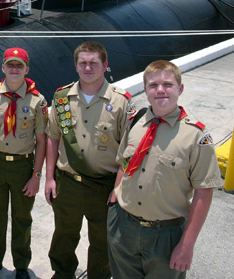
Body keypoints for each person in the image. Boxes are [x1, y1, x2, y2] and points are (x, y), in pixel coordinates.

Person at [107, 60, 222, 279]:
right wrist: (115, 198)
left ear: (180, 88)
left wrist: (187, 245)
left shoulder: (196, 136)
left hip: (165, 235)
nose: (160, 90)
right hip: (124, 226)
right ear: (145, 89)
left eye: (167, 84)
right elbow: (124, 162)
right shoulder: (135, 122)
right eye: (153, 85)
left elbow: (204, 192)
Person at [45, 41, 131, 279]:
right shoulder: (62, 98)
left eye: (94, 62)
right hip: (68, 182)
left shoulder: (121, 102)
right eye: (83, 62)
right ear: (76, 66)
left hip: (104, 186)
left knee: (103, 241)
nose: (88, 67)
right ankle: (62, 273)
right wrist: (49, 178)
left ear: (105, 65)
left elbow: (129, 151)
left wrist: (118, 189)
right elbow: (53, 138)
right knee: (63, 234)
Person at [0, 47, 48, 279]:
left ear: (27, 69)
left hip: (22, 166)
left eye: (19, 65)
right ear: (3, 68)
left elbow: (41, 141)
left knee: (22, 218)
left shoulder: (37, 101)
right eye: (10, 65)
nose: (14, 69)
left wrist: (37, 176)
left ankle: (21, 265)